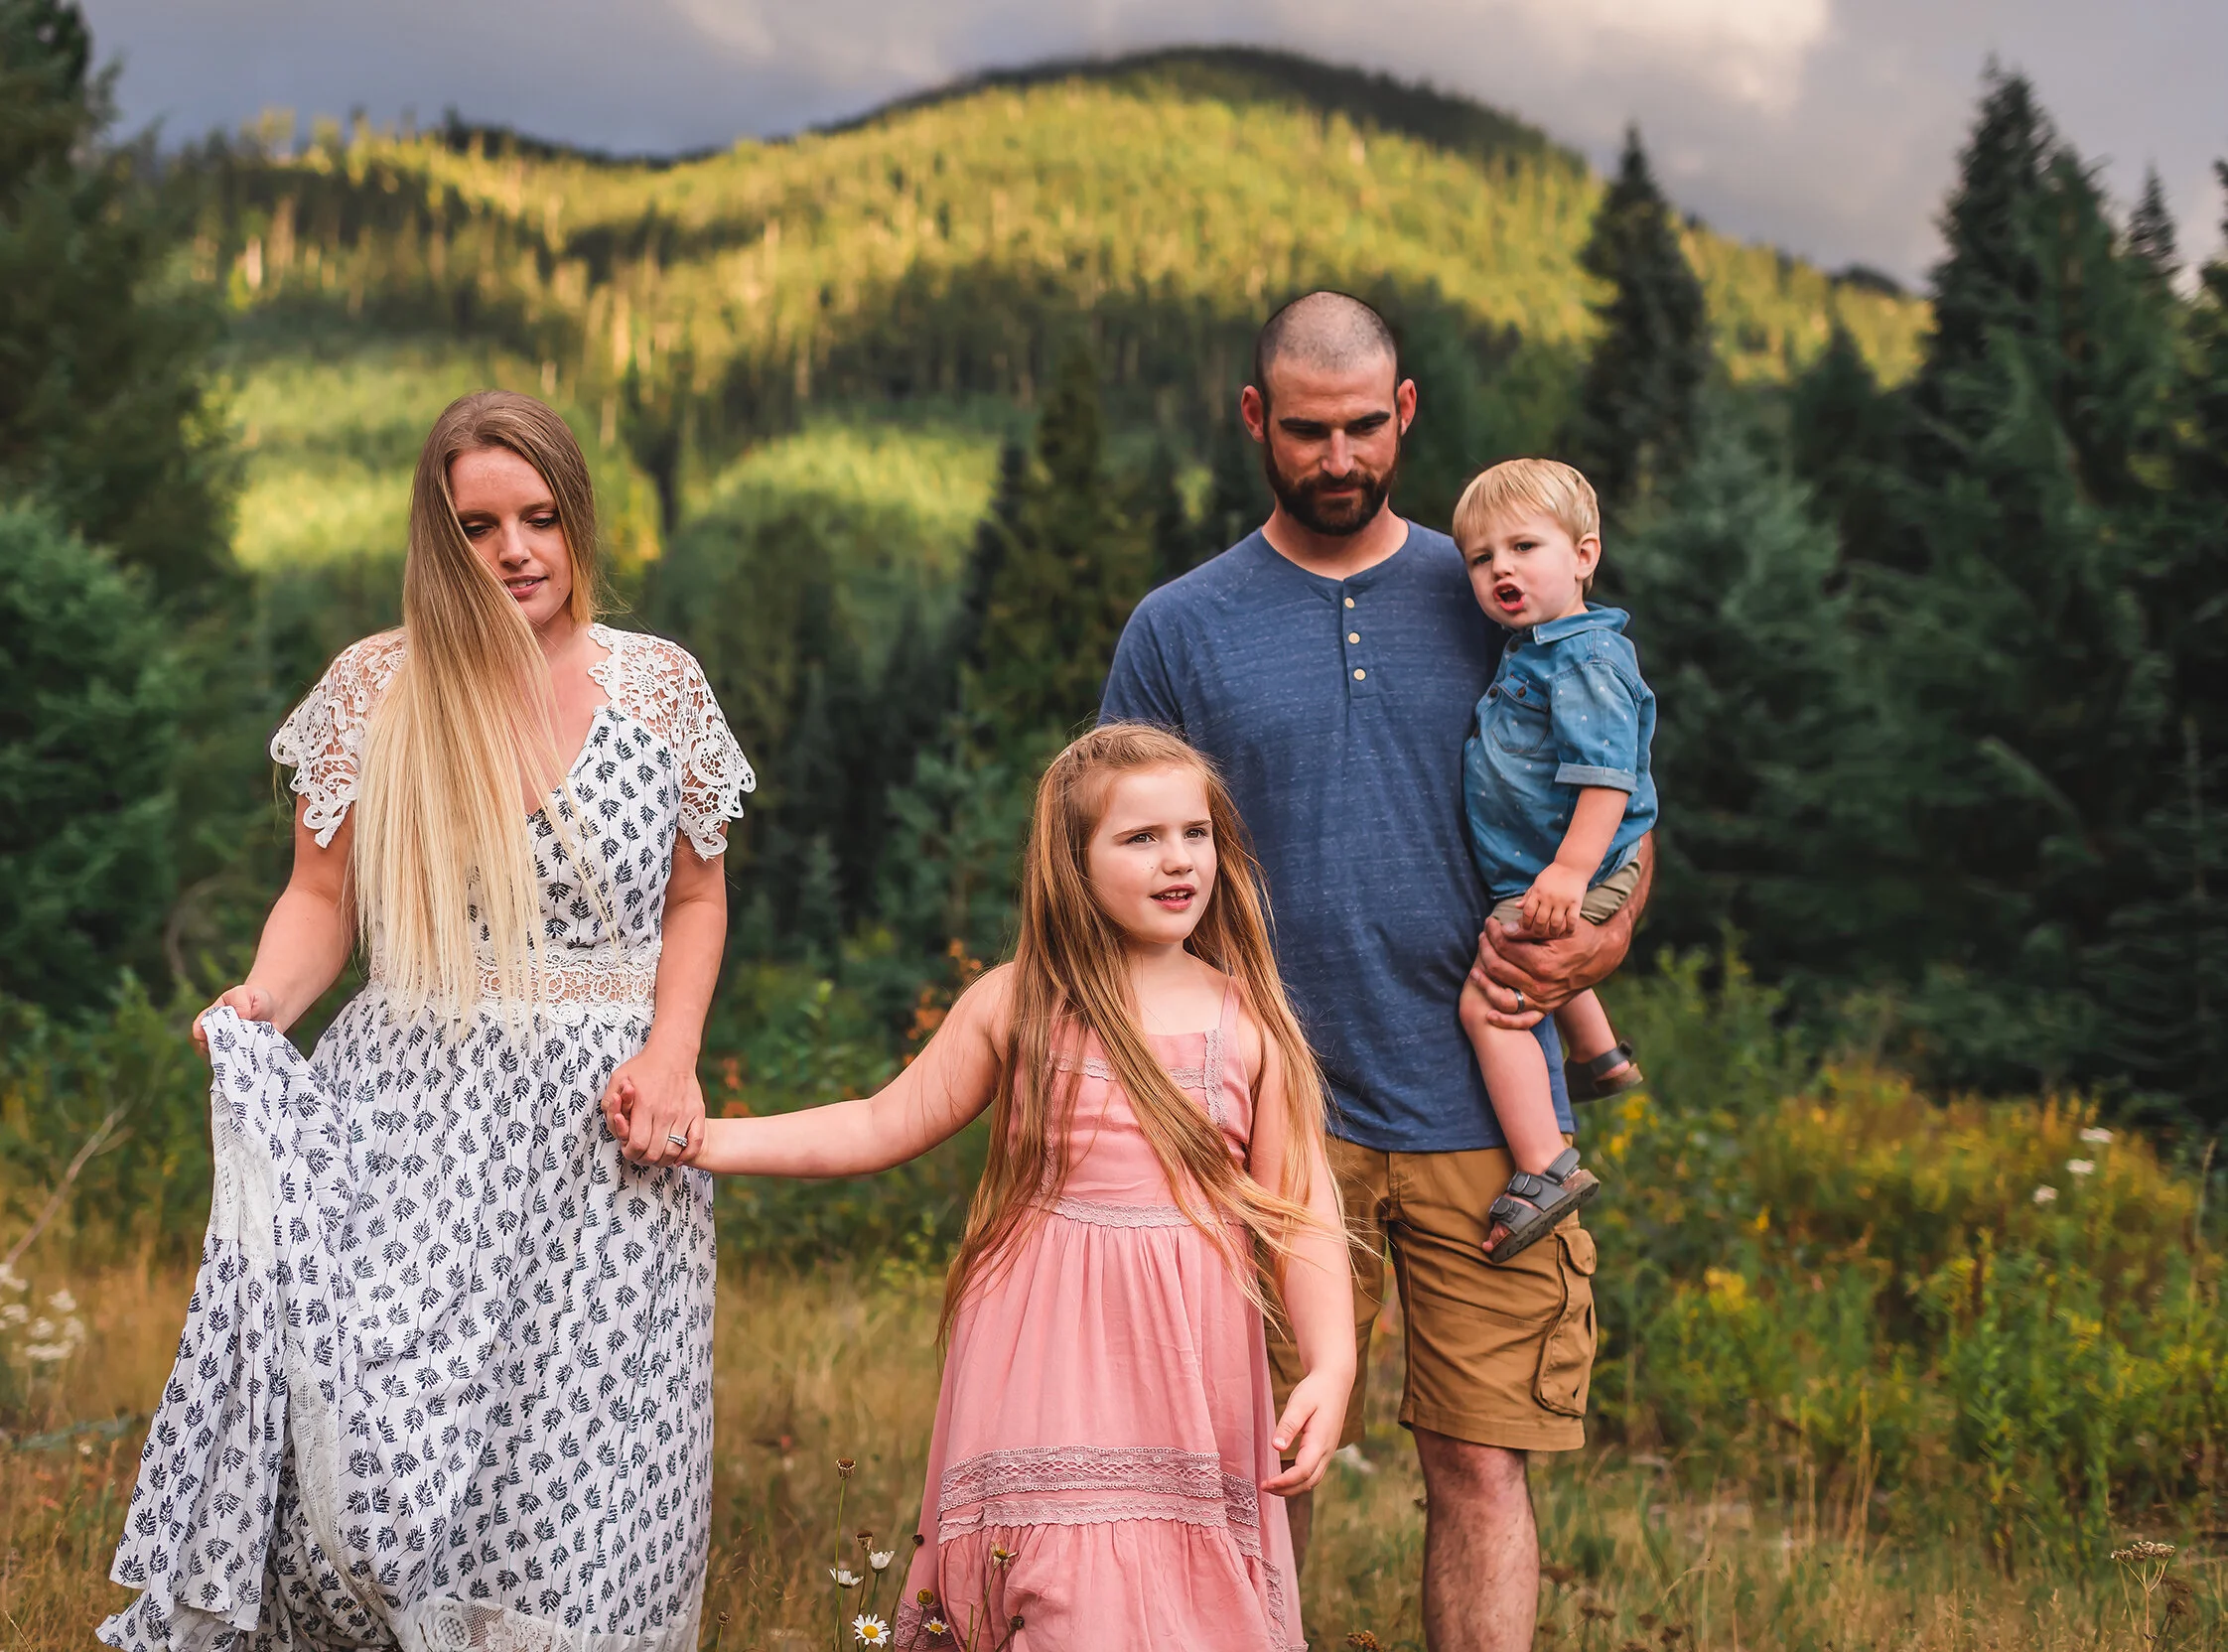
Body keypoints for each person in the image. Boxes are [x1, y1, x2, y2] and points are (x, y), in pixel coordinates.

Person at [102, 390, 754, 1652]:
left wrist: (671, 1054)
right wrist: (261, 997)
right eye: (477, 525)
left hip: (608, 1132)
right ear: (436, 534)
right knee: (373, 1455)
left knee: (586, 1474)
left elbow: (697, 898)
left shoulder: (660, 685)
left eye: (540, 518)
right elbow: (321, 895)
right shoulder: (377, 686)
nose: (515, 550)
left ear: (577, 520)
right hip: (409, 1116)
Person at [1100, 291, 1651, 1652]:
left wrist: (1606, 934)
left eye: (1362, 425)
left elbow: (1615, 790)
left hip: (1485, 1114)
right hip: (1263, 1110)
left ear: (1404, 411)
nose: (1337, 457)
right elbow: (1108, 864)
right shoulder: (1179, 627)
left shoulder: (1494, 585)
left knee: (1482, 1462)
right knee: (1259, 1459)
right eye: (1306, 431)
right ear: (1255, 419)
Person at [629, 724, 1351, 1652]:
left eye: (1195, 833)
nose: (1179, 860)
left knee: (1182, 1606)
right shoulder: (1020, 1002)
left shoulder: (1246, 1019)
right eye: (1141, 838)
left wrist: (1331, 1363)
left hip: (1188, 1365)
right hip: (1042, 1356)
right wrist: (698, 1139)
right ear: (1073, 862)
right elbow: (878, 1125)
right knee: (1057, 1595)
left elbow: (1303, 1208)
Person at [1452, 458, 1657, 1261]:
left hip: (1579, 865)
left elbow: (1606, 780)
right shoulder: (1538, 648)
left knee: (1491, 1000)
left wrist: (1568, 874)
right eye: (1481, 558)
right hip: (1549, 863)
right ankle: (1600, 1057)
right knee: (1544, 952)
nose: (1501, 568)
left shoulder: (1584, 660)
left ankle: (1546, 1168)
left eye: (1524, 547)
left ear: (1583, 555)